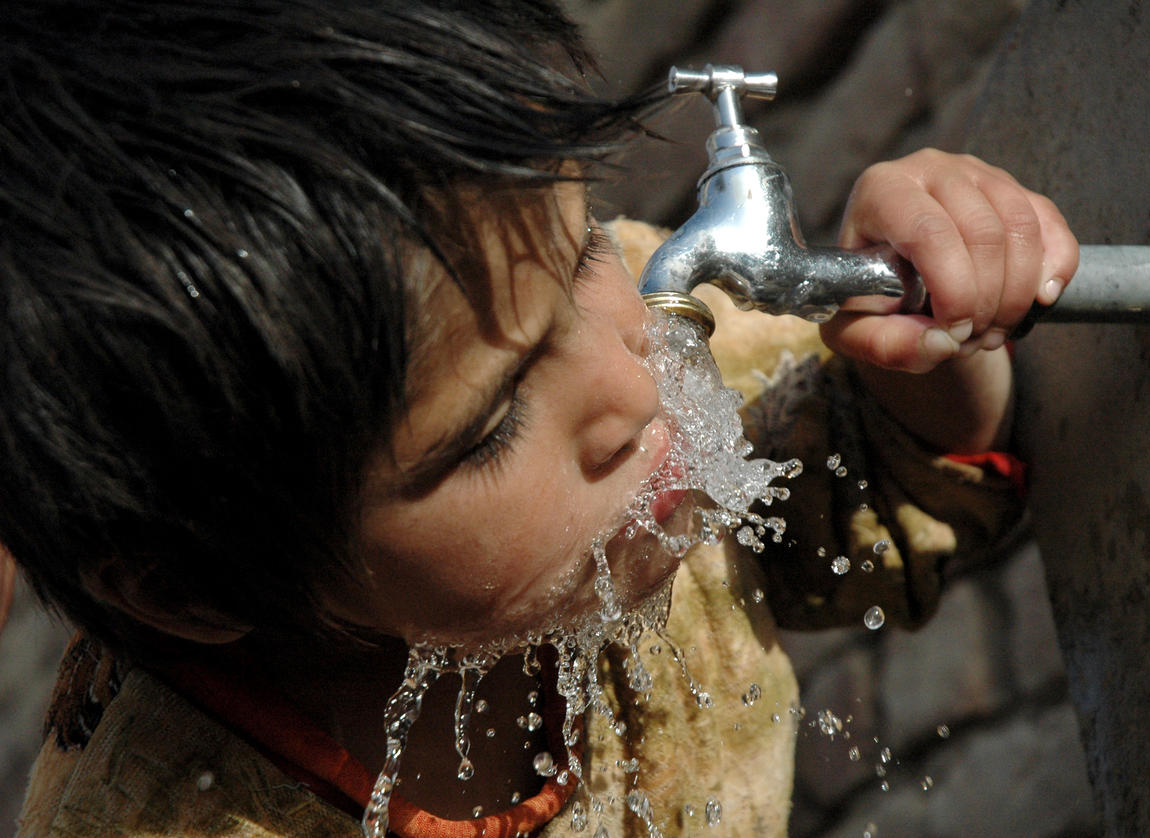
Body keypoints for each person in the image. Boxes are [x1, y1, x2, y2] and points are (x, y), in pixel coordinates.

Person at [3, 1, 1077, 836]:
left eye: (583, 250)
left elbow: (878, 497)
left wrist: (924, 349)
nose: (628, 389)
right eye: (487, 429)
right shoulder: (160, 810)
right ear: (197, 585)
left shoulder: (639, 342)